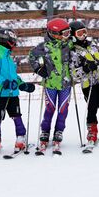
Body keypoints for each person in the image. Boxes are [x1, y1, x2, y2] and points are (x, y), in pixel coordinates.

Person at [0, 29, 35, 155]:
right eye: (12, 41)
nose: (14, 44)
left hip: (13, 93)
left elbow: (14, 76)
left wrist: (22, 84)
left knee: (16, 115)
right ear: (5, 41)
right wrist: (4, 82)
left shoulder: (8, 57)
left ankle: (20, 138)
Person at [69, 20, 99, 150]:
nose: (83, 35)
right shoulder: (73, 52)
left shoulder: (93, 46)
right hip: (88, 85)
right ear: (73, 35)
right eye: (79, 33)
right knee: (92, 109)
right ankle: (92, 133)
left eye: (84, 32)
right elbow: (73, 73)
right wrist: (86, 68)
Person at [29, 18, 73, 153]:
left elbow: (80, 51)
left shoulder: (69, 45)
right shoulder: (43, 47)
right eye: (64, 33)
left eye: (68, 33)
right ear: (55, 34)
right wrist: (38, 69)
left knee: (63, 109)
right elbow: (32, 56)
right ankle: (45, 131)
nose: (67, 36)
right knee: (50, 108)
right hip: (50, 83)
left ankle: (59, 131)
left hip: (65, 83)